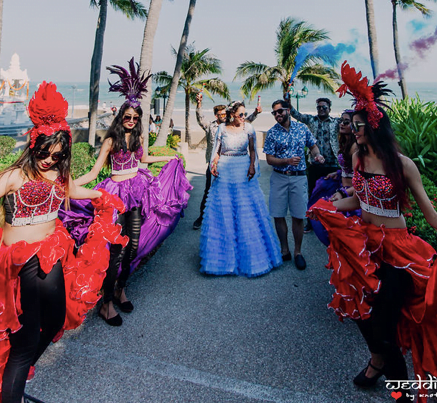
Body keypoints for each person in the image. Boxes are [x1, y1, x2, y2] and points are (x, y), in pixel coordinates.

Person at [308, 62, 437, 401]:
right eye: (351, 126)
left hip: (400, 254)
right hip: (366, 248)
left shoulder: (403, 165)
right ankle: (394, 383)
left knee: (407, 325)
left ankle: (421, 382)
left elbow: (430, 215)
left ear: (374, 126)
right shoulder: (357, 155)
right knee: (363, 317)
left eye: (357, 126)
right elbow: (358, 198)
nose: (352, 131)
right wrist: (325, 208)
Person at [0, 82, 125, 403]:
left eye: (56, 155)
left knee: (55, 321)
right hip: (20, 262)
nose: (48, 159)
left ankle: (15, 378)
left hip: (52, 252)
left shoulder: (58, 174)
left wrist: (101, 194)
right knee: (25, 339)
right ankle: (12, 388)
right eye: (43, 152)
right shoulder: (15, 175)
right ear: (33, 145)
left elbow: (73, 190)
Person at [60, 58, 192, 326]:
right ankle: (106, 303)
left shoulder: (139, 138)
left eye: (135, 117)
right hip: (116, 196)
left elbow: (142, 161)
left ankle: (121, 289)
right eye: (127, 117)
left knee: (132, 248)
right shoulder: (111, 140)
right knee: (115, 252)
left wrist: (168, 158)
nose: (131, 121)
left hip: (138, 192)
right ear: (121, 117)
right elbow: (96, 172)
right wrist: (70, 187)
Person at [199, 101, 281, 277]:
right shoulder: (222, 129)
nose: (244, 118)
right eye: (241, 115)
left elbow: (253, 150)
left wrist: (252, 166)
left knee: (247, 211)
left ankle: (251, 256)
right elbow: (217, 150)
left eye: (245, 114)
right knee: (224, 212)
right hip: (225, 170)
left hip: (243, 169)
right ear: (232, 114)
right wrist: (214, 163)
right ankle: (224, 260)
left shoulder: (249, 129)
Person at [263, 99, 324, 270]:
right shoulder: (272, 133)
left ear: (288, 110)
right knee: (278, 214)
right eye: (274, 112)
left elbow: (313, 146)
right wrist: (286, 161)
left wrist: (317, 156)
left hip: (298, 178)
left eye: (280, 111)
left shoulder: (302, 128)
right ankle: (285, 250)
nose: (277, 115)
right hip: (279, 177)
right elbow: (269, 159)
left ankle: (298, 252)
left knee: (298, 215)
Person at [192, 92, 261, 230]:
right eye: (220, 114)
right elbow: (200, 118)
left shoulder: (240, 124)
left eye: (224, 114)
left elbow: (247, 121)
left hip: (237, 166)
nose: (223, 116)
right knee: (209, 192)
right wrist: (199, 104)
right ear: (216, 115)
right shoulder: (211, 126)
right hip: (215, 164)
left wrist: (255, 112)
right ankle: (202, 216)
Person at [307, 109, 358, 246]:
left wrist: (344, 192)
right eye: (341, 121)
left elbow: (361, 178)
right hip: (343, 188)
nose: (342, 124)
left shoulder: (356, 148)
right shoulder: (346, 142)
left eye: (346, 122)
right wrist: (338, 173)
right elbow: (347, 169)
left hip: (351, 194)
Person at [289, 96, 340, 232]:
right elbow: (296, 114)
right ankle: (311, 222)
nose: (321, 109)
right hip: (315, 164)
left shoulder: (336, 122)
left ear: (329, 109)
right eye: (319, 107)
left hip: (332, 164)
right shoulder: (311, 120)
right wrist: (288, 102)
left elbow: (351, 121)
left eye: (324, 107)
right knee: (312, 193)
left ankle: (330, 222)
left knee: (332, 194)